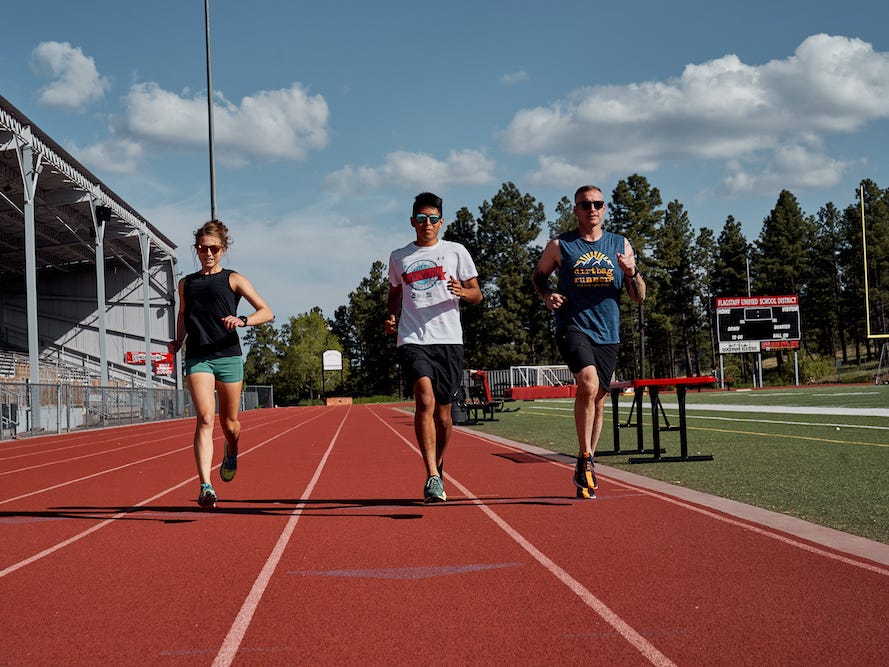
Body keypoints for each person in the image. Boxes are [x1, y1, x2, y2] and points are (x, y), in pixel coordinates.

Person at [532, 185, 646, 499]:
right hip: (572, 325)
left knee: (598, 400)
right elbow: (538, 275)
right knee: (588, 382)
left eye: (597, 204)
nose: (591, 209)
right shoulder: (561, 245)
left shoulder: (620, 244)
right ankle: (583, 457)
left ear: (604, 208)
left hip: (608, 332)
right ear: (576, 210)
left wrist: (632, 272)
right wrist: (546, 295)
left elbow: (639, 296)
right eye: (585, 205)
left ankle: (589, 460)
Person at [168, 220, 274, 508]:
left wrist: (242, 320)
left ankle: (233, 449)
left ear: (223, 249)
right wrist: (178, 341)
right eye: (202, 248)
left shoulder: (234, 279)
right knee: (204, 418)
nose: (207, 253)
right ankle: (205, 486)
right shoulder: (186, 284)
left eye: (213, 248)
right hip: (198, 357)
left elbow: (267, 312)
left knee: (230, 424)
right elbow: (183, 315)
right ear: (197, 249)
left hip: (228, 357)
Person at [385, 192, 482, 503]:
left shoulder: (455, 251)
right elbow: (394, 292)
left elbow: (477, 294)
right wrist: (390, 315)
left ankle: (438, 462)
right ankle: (432, 475)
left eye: (433, 219)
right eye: (421, 219)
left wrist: (462, 293)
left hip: (449, 340)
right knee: (423, 399)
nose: (427, 224)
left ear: (441, 223)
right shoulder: (399, 256)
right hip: (413, 338)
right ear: (412, 222)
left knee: (443, 415)